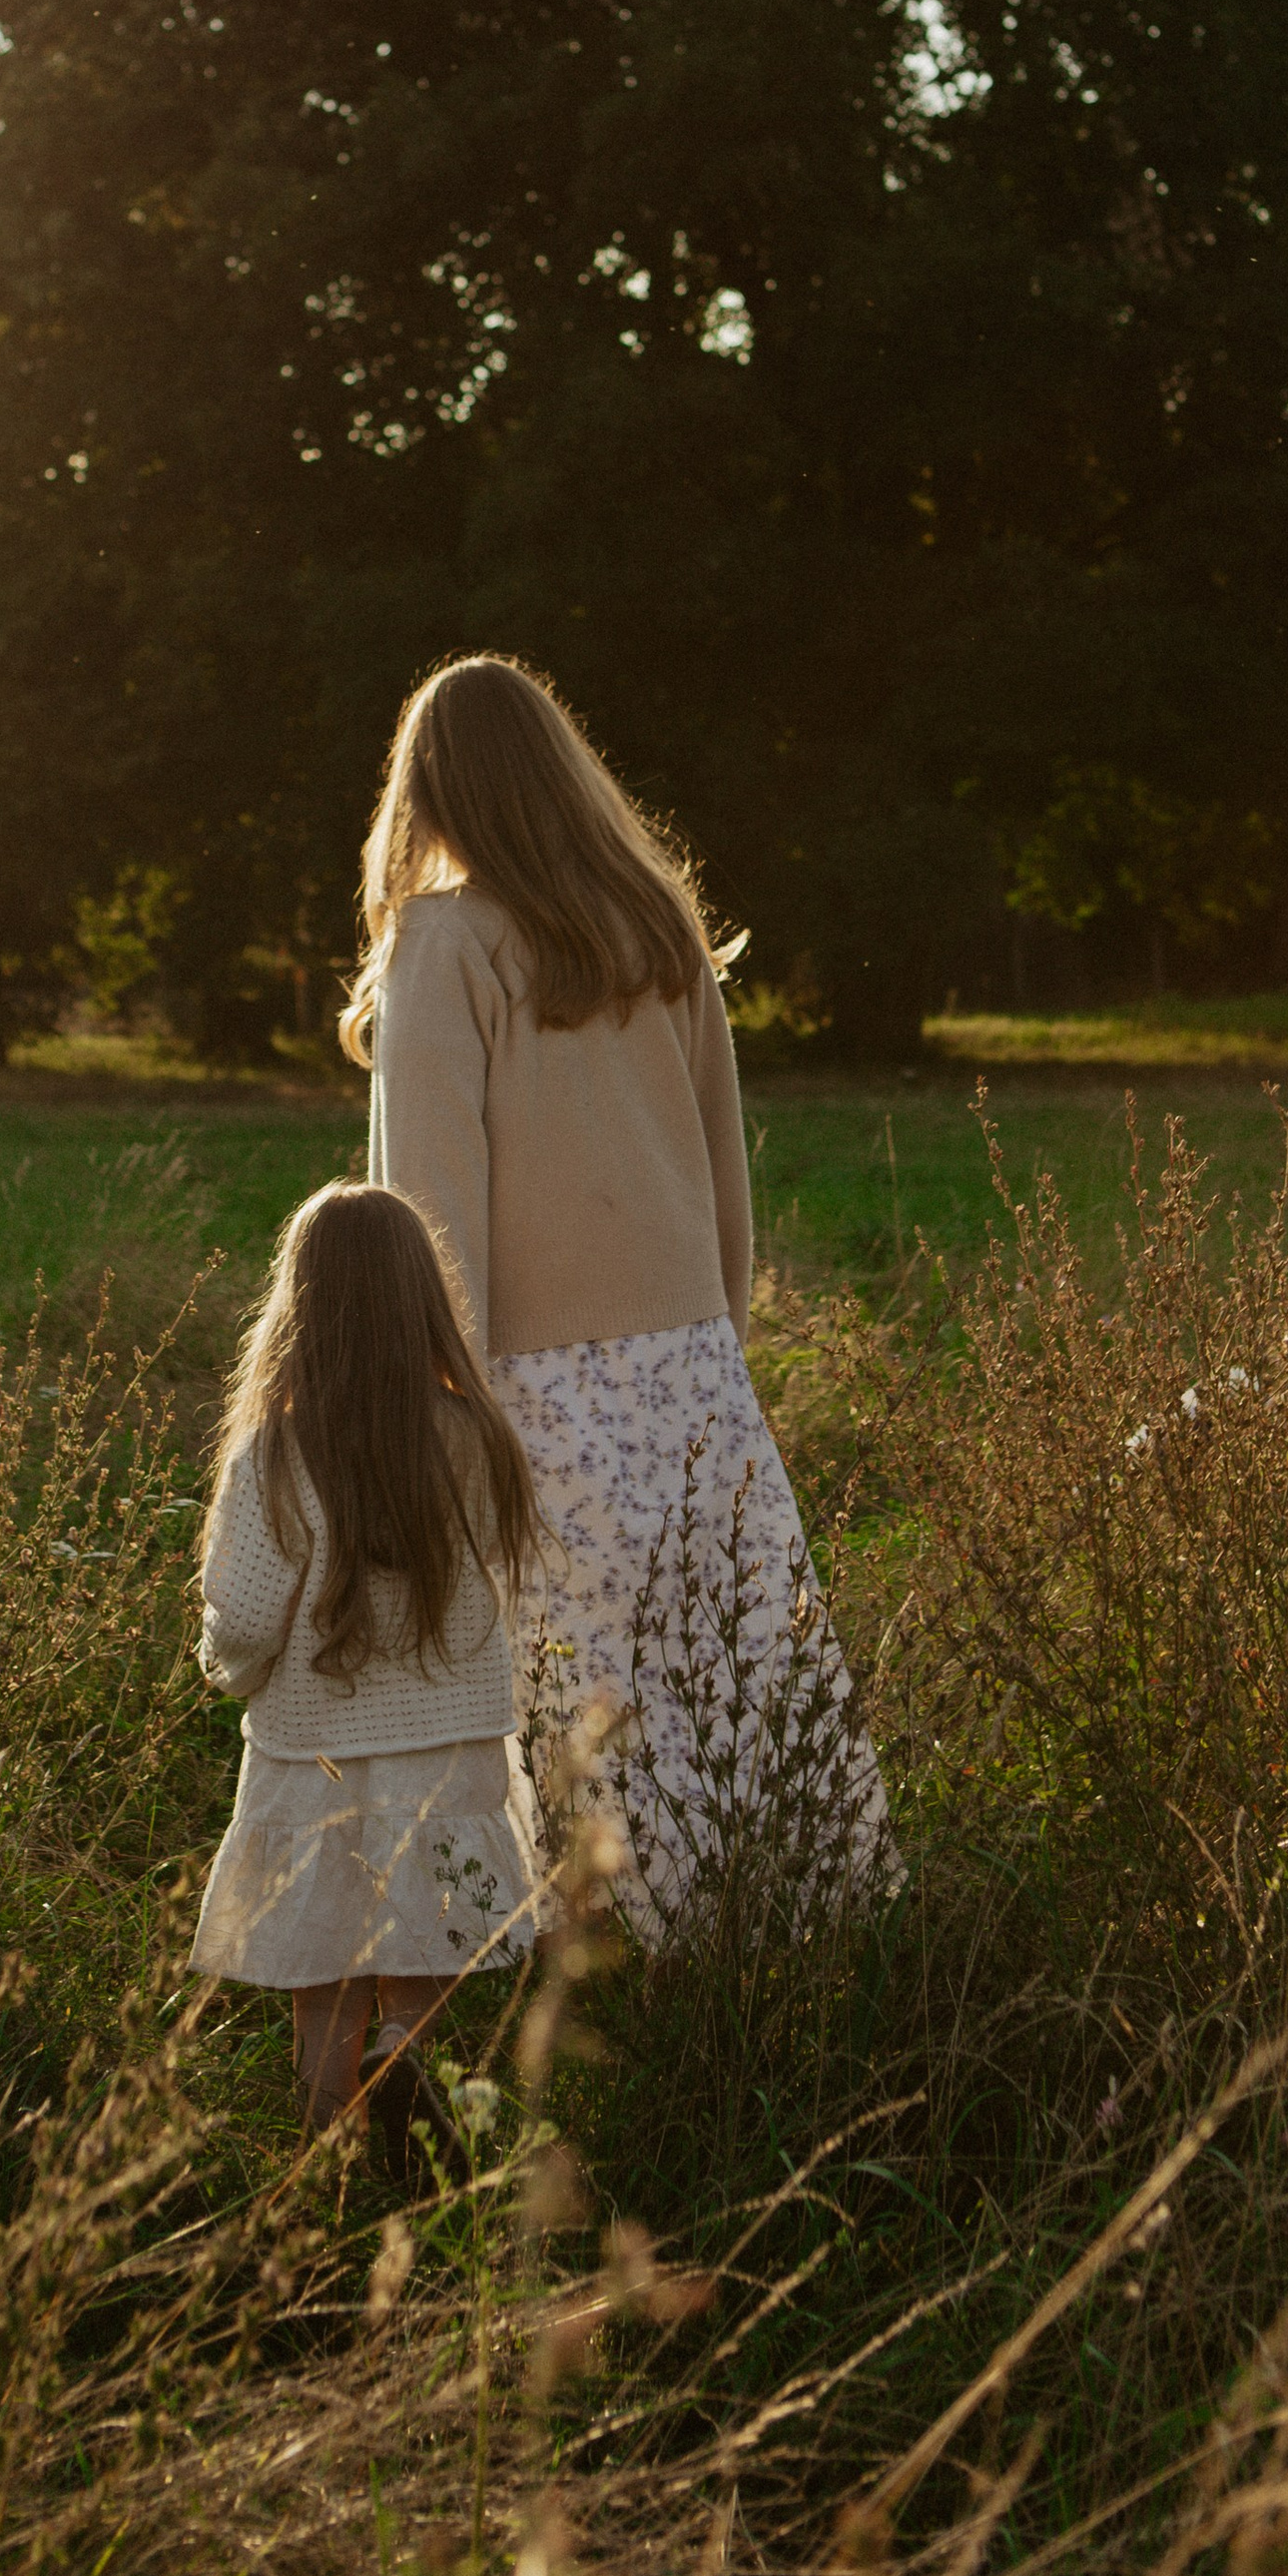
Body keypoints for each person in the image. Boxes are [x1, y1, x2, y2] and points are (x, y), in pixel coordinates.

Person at [345, 654, 896, 1924]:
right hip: (695, 1370)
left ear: (424, 792)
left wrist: (441, 1408)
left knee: (572, 1701)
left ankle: (605, 1982)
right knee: (732, 1684)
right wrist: (720, 1353)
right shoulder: (656, 928)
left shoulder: (441, 941)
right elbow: (723, 1176)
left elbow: (427, 1211)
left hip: (523, 1385)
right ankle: (780, 1943)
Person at [191, 1177, 546, 2184]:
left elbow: (248, 1619)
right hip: (449, 1747)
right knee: (416, 1950)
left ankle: (323, 2172)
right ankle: (405, 2073)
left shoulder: (275, 1451)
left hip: (319, 1757)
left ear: (299, 1305)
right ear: (422, 1302)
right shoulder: (474, 1438)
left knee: (322, 1981)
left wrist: (229, 1668)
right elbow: (490, 1574)